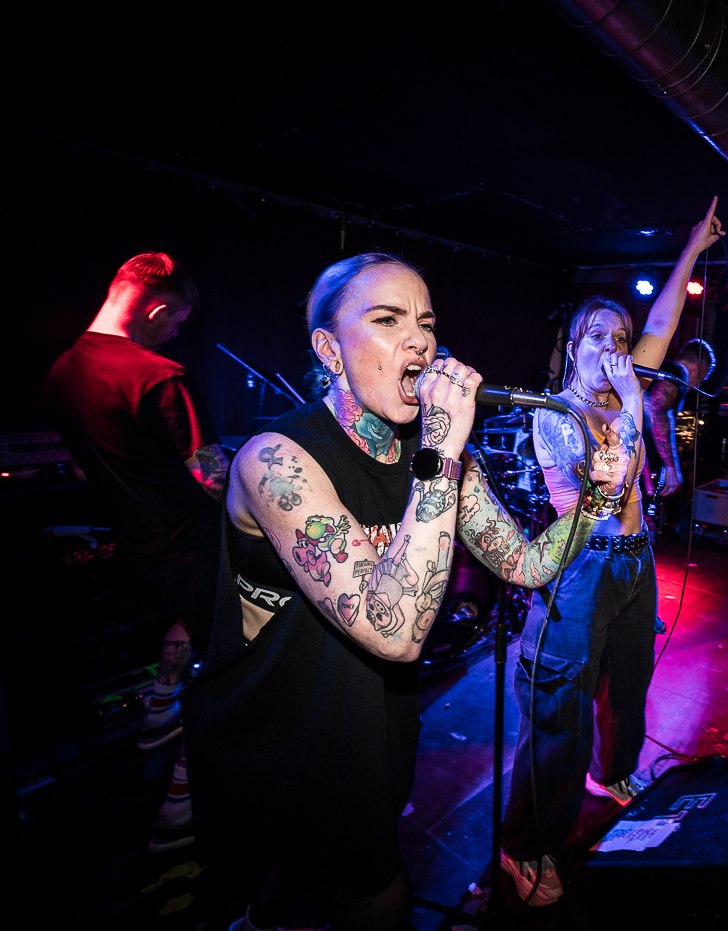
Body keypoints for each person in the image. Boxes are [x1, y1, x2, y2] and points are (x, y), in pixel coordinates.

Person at [184, 253, 626, 931]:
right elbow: (392, 631)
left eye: (426, 321)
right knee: (379, 902)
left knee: (298, 875)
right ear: (329, 349)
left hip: (369, 728)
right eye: (388, 320)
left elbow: (526, 564)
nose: (420, 340)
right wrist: (441, 454)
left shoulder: (442, 459)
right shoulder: (276, 461)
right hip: (280, 738)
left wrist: (595, 499)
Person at [499, 200, 724, 906]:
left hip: (635, 559)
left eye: (620, 337)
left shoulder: (623, 385)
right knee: (559, 715)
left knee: (628, 685)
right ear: (574, 346)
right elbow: (608, 486)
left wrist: (691, 250)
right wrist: (631, 400)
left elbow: (662, 323)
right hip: (581, 568)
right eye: (597, 335)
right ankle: (524, 844)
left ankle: (613, 770)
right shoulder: (556, 411)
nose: (614, 346)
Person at [44, 252, 228, 852]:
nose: (175, 334)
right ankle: (180, 808)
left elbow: (82, 468)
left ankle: (159, 708)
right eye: (177, 322)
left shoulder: (62, 372)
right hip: (195, 543)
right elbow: (213, 479)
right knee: (231, 671)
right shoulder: (158, 376)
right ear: (157, 310)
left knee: (188, 621)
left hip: (139, 547)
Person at [641, 338, 715, 526]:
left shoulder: (661, 369)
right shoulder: (678, 373)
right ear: (698, 369)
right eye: (704, 377)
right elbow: (657, 411)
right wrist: (671, 468)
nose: (699, 384)